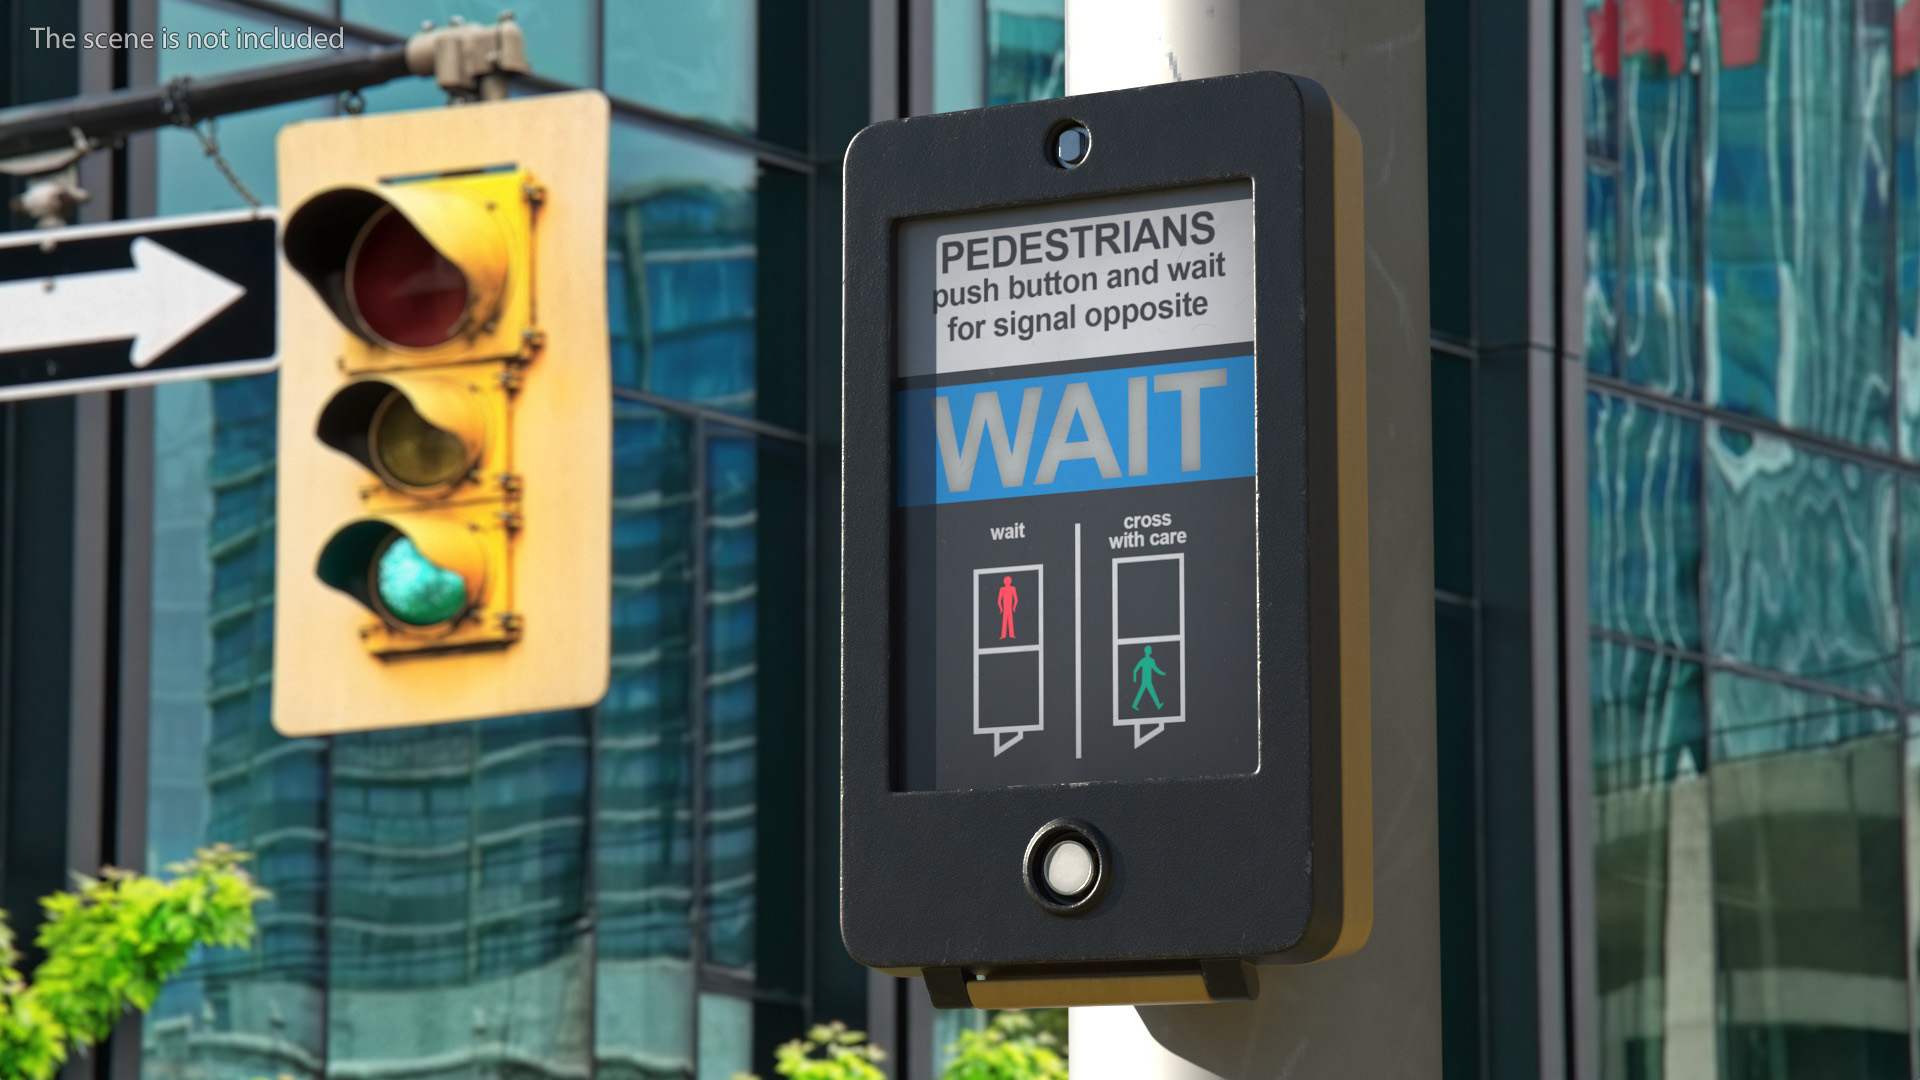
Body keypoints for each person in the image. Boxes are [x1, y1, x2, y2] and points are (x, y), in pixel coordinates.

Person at [1131, 645, 1166, 710]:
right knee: (1149, 692)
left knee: (1146, 692)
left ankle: (1158, 705)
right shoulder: (1146, 660)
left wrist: (1162, 673)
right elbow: (1135, 670)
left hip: (1147, 681)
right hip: (1146, 681)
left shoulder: (1149, 660)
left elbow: (1155, 669)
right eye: (1150, 649)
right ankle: (1158, 705)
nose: (1151, 650)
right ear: (1147, 651)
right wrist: (1134, 679)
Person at [997, 575, 1019, 640]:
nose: (1007, 582)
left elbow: (1016, 599)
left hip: (1009, 608)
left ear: (1010, 581)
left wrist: (1014, 607)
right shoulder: (1002, 589)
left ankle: (1011, 635)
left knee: (1010, 621)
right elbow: (999, 600)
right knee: (1004, 621)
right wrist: (1001, 608)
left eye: (1008, 581)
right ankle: (1003, 635)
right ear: (1004, 582)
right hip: (1005, 608)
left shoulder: (1013, 588)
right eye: (1006, 581)